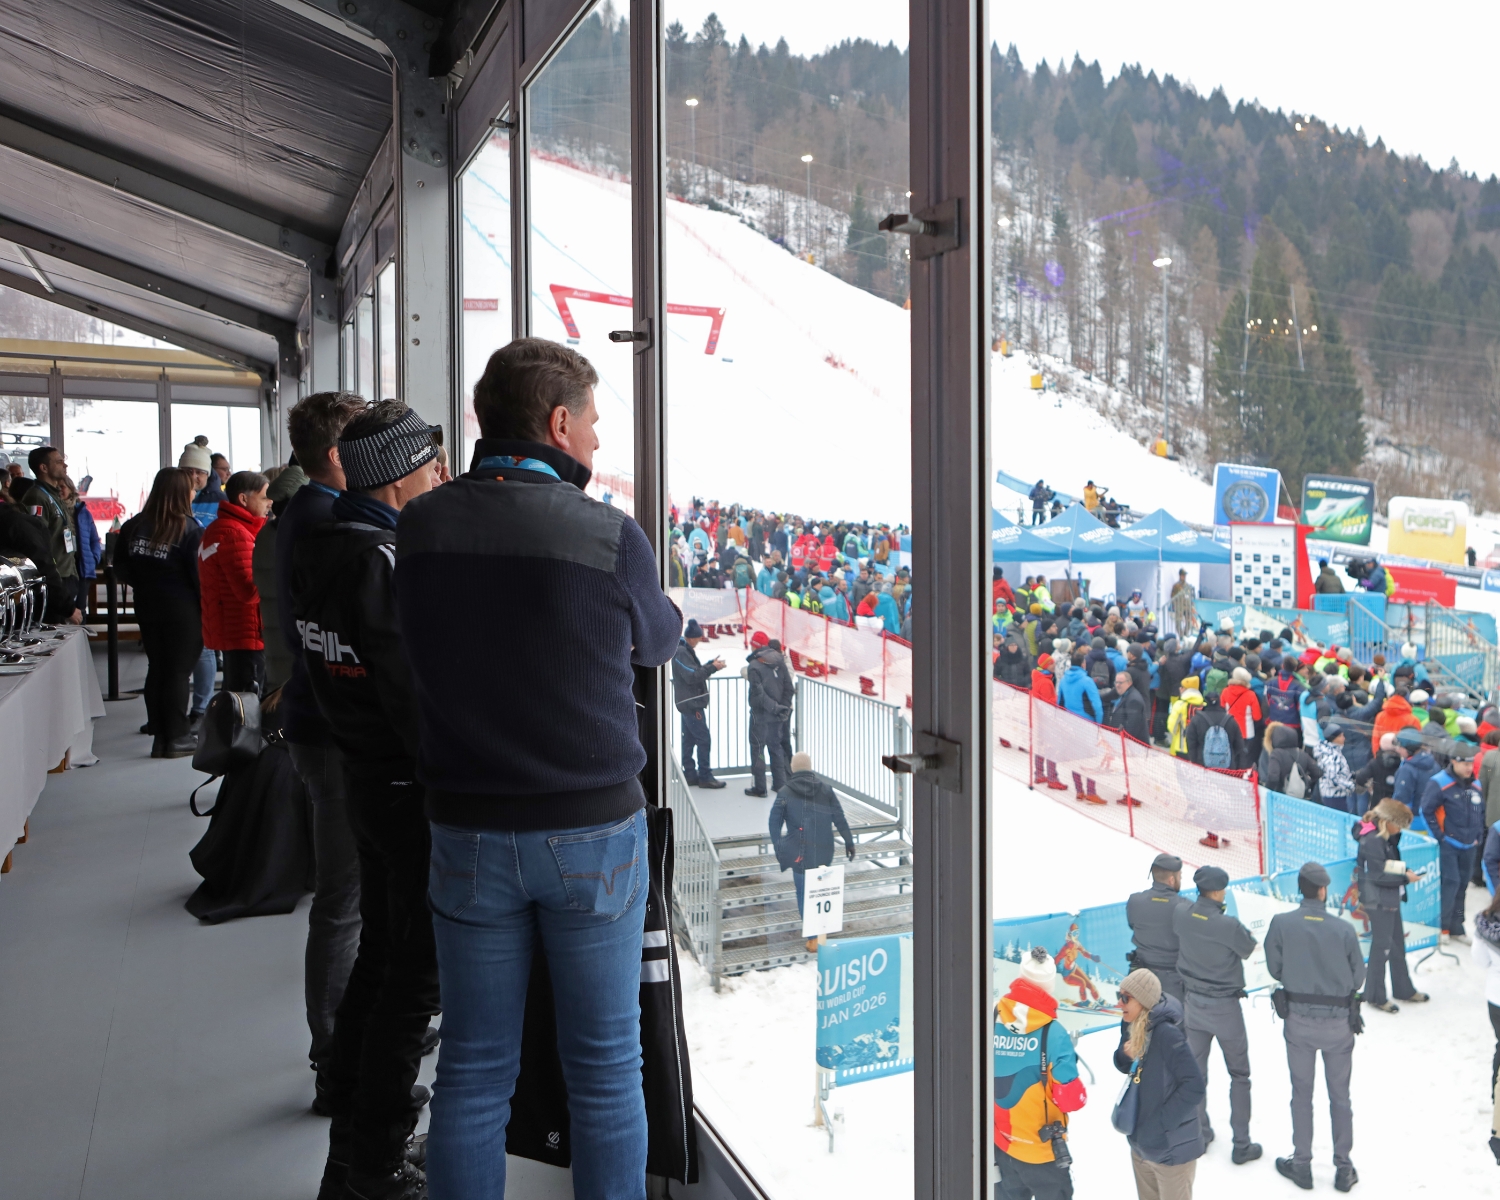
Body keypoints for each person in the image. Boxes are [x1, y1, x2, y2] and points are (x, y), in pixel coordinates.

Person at [393, 337, 683, 1198]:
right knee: (606, 1068)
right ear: (558, 423)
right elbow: (658, 640)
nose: (595, 439)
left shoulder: (422, 525)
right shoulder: (608, 533)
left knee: (474, 1069)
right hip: (591, 832)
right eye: (590, 422)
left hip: (467, 829)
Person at [293, 401, 440, 1200]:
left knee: (381, 958)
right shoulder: (381, 561)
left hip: (362, 778)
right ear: (395, 478)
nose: (442, 476)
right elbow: (413, 698)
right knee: (412, 984)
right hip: (403, 792)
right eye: (430, 464)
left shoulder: (322, 545)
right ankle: (377, 1163)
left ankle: (350, 1142)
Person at [275, 391, 370, 1087]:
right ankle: (335, 1054)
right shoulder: (330, 523)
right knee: (343, 901)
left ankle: (352, 1030)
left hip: (317, 724)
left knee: (351, 898)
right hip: (333, 733)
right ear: (339, 455)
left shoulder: (303, 514)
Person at [1265, 862, 1365, 1194]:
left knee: (1301, 1094)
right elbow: (1358, 978)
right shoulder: (1344, 929)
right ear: (1323, 890)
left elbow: (1275, 969)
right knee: (1341, 1097)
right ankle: (1343, 1168)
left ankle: (1302, 1164)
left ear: (1300, 888)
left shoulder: (1281, 924)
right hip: (1338, 1025)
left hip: (1299, 1022)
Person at [1173, 864, 1260, 1165]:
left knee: (1196, 1074)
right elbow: (1248, 947)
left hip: (1193, 1005)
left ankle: (1200, 1132)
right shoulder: (1228, 925)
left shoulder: (1181, 913)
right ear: (1219, 892)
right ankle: (1242, 1143)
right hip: (1225, 1008)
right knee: (1240, 1075)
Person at [115, 468, 202, 757]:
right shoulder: (189, 529)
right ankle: (177, 736)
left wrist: (145, 583)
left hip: (147, 604)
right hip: (183, 608)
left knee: (158, 667)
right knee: (178, 671)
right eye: (191, 488)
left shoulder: (133, 526)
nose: (194, 493)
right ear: (181, 493)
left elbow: (120, 567)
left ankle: (160, 732)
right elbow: (199, 575)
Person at [993, 945, 1086, 1200]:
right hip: (1042, 1151)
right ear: (1050, 984)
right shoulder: (1054, 1034)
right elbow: (1072, 1100)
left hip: (1001, 1145)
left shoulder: (992, 1015)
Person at [1113, 968, 1205, 1200]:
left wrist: (1160, 1126)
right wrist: (1125, 1055)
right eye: (1118, 995)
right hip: (1140, 1144)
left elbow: (1194, 1086)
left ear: (1143, 1001)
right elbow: (1124, 1064)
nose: (1119, 1003)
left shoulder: (1167, 1034)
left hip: (1170, 1151)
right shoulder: (1132, 1024)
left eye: (1125, 998)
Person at [768, 751, 854, 953]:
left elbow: (774, 822)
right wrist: (848, 841)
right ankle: (822, 932)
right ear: (810, 767)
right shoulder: (825, 789)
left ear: (793, 768)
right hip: (824, 850)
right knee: (821, 892)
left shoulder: (785, 792)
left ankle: (813, 939)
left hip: (800, 852)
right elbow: (839, 816)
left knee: (803, 893)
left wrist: (779, 846)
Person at [199, 469, 271, 695]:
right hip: (244, 633)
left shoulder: (226, 528)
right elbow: (249, 591)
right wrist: (277, 571)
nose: (269, 503)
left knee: (238, 699)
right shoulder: (235, 533)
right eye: (264, 497)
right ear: (243, 499)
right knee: (246, 704)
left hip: (237, 631)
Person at [1358, 798, 1428, 1012]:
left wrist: (1404, 872)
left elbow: (1388, 864)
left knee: (1397, 945)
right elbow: (1377, 875)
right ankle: (1375, 995)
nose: (1400, 830)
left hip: (1389, 897)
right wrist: (1406, 879)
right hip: (1378, 900)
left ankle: (1403, 989)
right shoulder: (1373, 840)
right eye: (1398, 825)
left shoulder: (1385, 837)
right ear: (1387, 821)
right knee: (1382, 948)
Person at [1420, 742, 1484, 943]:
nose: (1469, 768)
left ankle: (1457, 927)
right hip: (1449, 843)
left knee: (1463, 885)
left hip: (1469, 844)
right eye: (1465, 764)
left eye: (1471, 763)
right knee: (1451, 883)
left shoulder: (1475, 784)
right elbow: (1426, 810)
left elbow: (1480, 811)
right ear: (1454, 762)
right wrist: (1439, 837)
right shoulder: (1439, 782)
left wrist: (1478, 836)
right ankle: (1443, 927)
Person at [22, 446, 82, 620]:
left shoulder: (55, 494)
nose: (65, 465)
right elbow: (37, 542)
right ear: (44, 468)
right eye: (59, 461)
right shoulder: (37, 497)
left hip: (67, 574)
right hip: (54, 578)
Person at [1126, 854, 1190, 1001]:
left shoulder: (1135, 901)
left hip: (1141, 979)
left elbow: (1132, 924)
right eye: (1179, 876)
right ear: (1171, 879)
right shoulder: (1186, 907)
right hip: (1175, 982)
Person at [673, 618, 726, 789]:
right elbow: (692, 676)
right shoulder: (682, 652)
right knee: (703, 739)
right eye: (698, 637)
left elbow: (694, 672)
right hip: (692, 704)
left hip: (689, 703)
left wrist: (710, 665)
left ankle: (690, 774)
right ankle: (705, 776)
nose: (700, 640)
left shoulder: (684, 651)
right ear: (692, 637)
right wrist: (712, 668)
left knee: (689, 740)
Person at [745, 631, 792, 797]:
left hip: (760, 716)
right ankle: (780, 784)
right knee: (776, 748)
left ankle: (760, 787)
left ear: (754, 646)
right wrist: (782, 708)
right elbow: (789, 688)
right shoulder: (780, 661)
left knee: (758, 750)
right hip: (776, 716)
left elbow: (759, 694)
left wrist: (774, 708)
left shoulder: (754, 666)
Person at [1185, 688, 1243, 770]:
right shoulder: (1230, 720)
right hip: (1227, 767)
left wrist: (1195, 761)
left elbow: (1191, 744)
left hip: (1202, 766)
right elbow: (1239, 745)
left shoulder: (1196, 719)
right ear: (1219, 702)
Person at [1312, 721, 1357, 812]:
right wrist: (1351, 786)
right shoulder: (1332, 756)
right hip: (1334, 796)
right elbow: (1333, 778)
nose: (1344, 738)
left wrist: (1351, 776)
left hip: (1333, 794)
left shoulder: (1331, 752)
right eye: (1341, 736)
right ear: (1334, 738)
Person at [1058, 649, 1103, 722]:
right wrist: (1099, 724)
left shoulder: (1063, 680)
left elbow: (1060, 702)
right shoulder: (1087, 681)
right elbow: (1097, 705)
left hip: (1068, 719)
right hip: (1085, 721)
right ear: (1083, 664)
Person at [1107, 670, 1150, 744]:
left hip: (1133, 745)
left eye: (1120, 683)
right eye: (1116, 682)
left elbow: (1132, 729)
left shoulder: (1134, 700)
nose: (1117, 685)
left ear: (1129, 683)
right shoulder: (1125, 694)